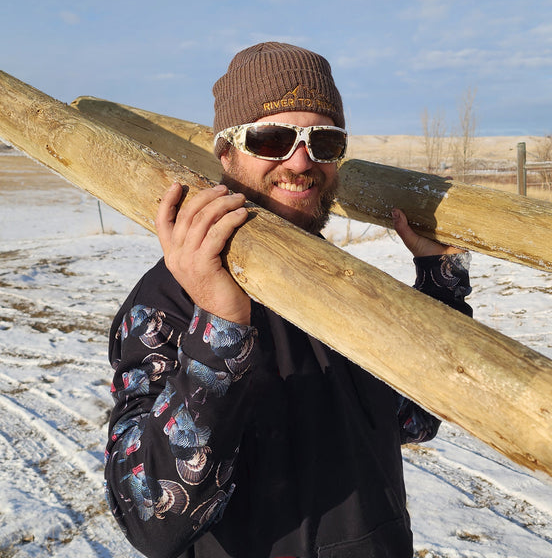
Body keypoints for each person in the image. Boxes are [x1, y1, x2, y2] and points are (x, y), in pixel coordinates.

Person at [104, 42, 472, 558]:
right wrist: (220, 324)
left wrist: (440, 280)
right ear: (225, 152)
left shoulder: (348, 285)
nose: (301, 161)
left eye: (324, 141)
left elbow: (415, 417)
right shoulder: (167, 300)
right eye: (272, 138)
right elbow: (151, 521)